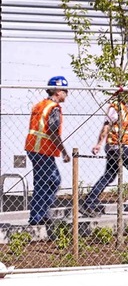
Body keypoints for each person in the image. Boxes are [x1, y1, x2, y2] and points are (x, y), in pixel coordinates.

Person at [24, 75, 71, 237]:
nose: (67, 93)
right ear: (58, 91)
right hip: (42, 150)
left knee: (43, 182)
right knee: (52, 181)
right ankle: (38, 216)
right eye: (65, 90)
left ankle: (39, 215)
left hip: (33, 148)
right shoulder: (54, 108)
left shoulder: (41, 105)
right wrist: (64, 151)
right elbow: (52, 131)